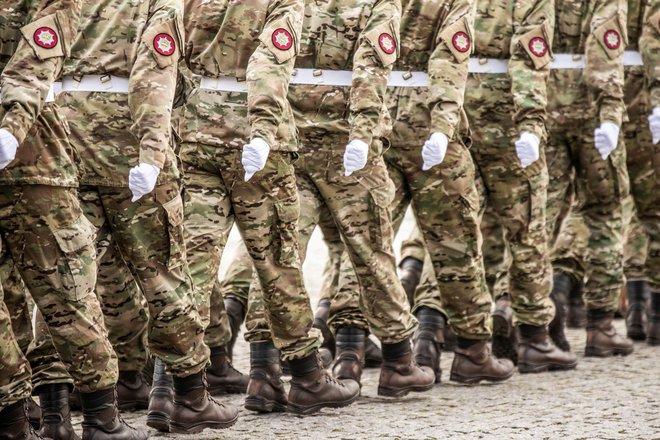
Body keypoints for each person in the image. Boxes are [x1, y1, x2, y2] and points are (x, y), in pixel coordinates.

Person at [243, 0, 437, 412]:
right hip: (344, 142)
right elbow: (372, 66)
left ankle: (263, 371)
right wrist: (363, 134)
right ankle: (400, 362)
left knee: (281, 255)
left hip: (292, 137)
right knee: (372, 253)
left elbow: (267, 60)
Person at [56, 0, 237, 434]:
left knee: (68, 279)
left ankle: (55, 408)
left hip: (66, 142)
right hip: (128, 151)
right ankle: (189, 397)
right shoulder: (152, 6)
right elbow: (153, 79)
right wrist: (153, 153)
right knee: (163, 277)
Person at [174, 0, 360, 420]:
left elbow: (173, 55)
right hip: (255, 140)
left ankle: (175, 387)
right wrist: (261, 130)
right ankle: (307, 377)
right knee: (278, 261)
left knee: (191, 264)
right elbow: (270, 62)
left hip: (197, 132)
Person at [0, 0, 129, 438]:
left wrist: (10, 126)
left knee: (65, 287)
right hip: (33, 160)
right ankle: (21, 419)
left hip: (29, 148)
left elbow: (38, 59)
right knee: (65, 288)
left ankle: (96, 417)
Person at [545, 0, 634, 357]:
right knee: (606, 211)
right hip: (591, 111)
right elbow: (605, 52)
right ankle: (600, 325)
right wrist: (611, 115)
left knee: (541, 215)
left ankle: (534, 311)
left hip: (545, 105)